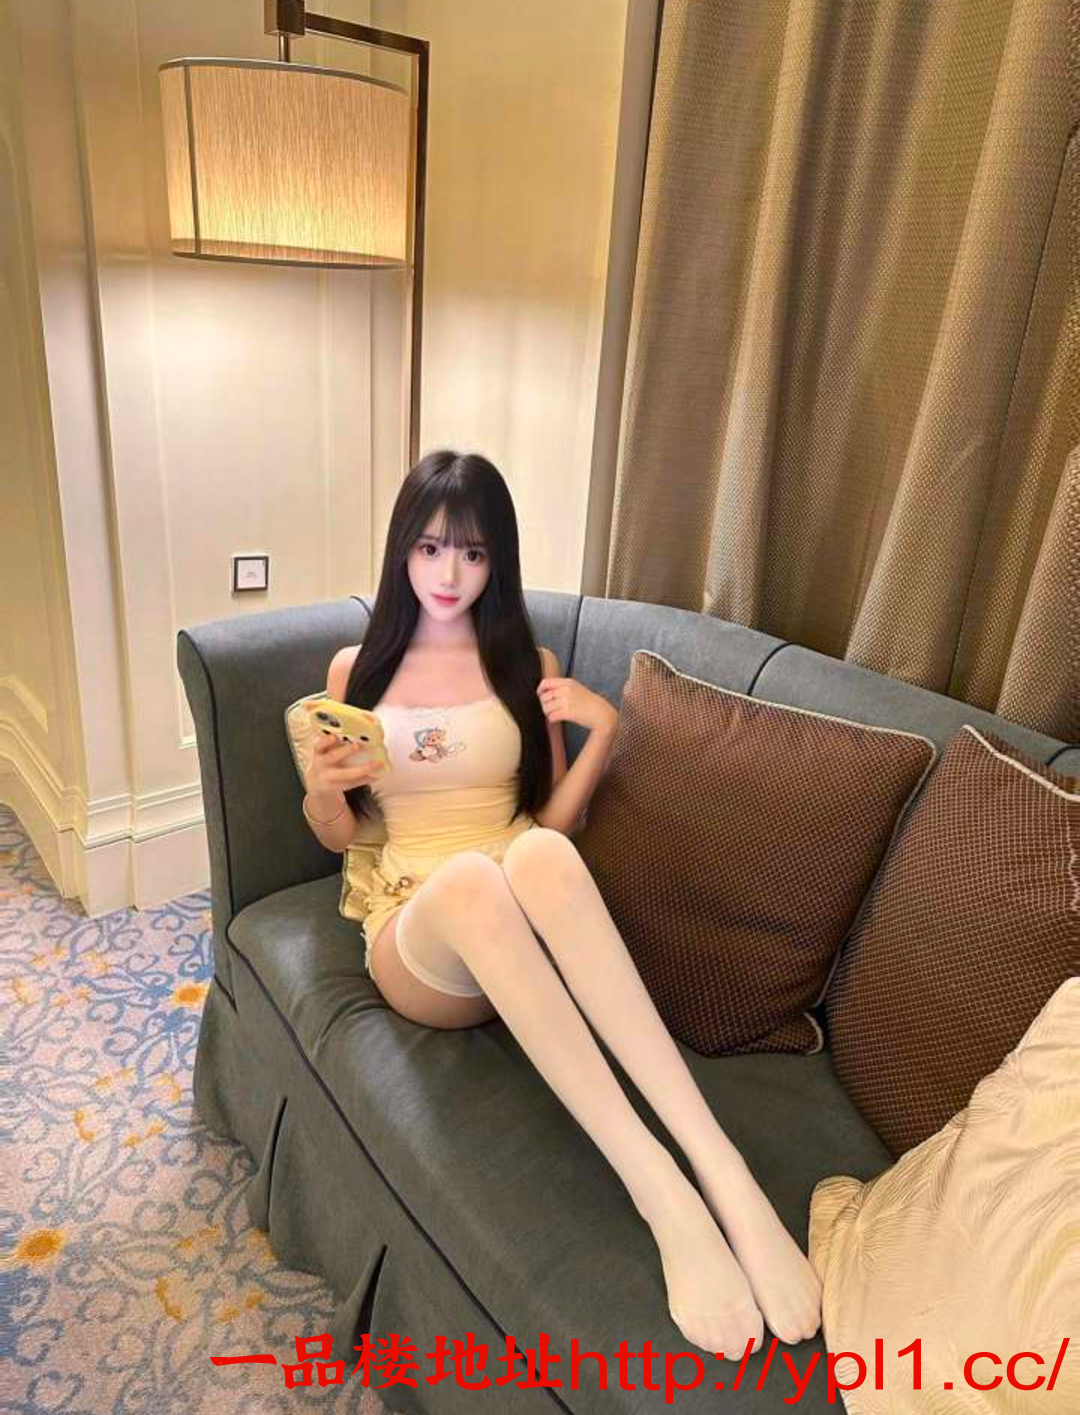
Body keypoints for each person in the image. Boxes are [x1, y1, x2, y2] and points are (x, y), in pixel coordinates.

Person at [302, 448, 822, 1357]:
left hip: (520, 898)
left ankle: (723, 1170)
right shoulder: (357, 669)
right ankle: (660, 1189)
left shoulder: (524, 662)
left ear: (497, 559)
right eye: (430, 548)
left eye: (472, 553)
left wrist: (605, 727)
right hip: (419, 931)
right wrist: (320, 789)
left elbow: (550, 822)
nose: (449, 574)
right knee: (473, 879)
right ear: (402, 550)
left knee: (535, 850)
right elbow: (342, 838)